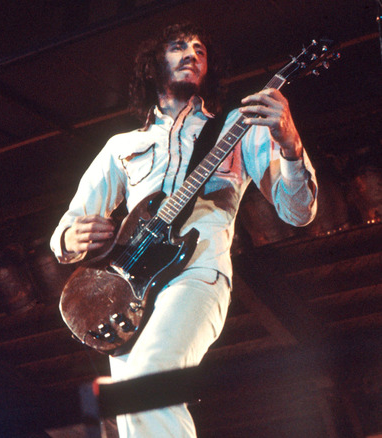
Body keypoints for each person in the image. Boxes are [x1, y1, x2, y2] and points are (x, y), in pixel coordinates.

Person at [50, 23, 318, 437]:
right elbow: (67, 227)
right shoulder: (122, 146)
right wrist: (73, 238)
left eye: (199, 50)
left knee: (147, 383)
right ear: (154, 65)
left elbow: (298, 212)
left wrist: (290, 143)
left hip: (197, 271)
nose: (191, 53)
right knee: (131, 411)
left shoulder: (237, 128)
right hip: (126, 288)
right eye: (178, 46)